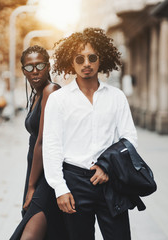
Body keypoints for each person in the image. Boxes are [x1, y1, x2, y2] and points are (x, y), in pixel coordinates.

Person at [43, 28, 138, 240]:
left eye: (92, 57)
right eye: (79, 58)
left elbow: (129, 139)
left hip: (110, 181)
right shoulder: (59, 100)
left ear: (101, 59)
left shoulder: (116, 97)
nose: (86, 63)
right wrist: (60, 188)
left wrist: (107, 166)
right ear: (71, 62)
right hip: (75, 182)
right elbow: (52, 145)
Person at [10, 45, 68, 240]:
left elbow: (42, 142)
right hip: (36, 170)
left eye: (39, 65)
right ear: (23, 70)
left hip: (48, 174)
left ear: (48, 66)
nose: (34, 71)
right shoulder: (36, 94)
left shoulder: (51, 91)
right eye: (29, 67)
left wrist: (32, 188)